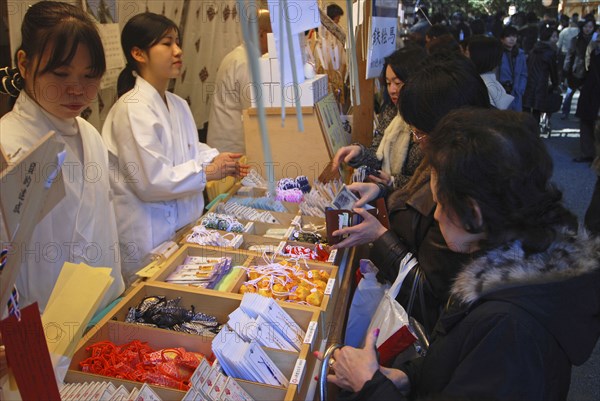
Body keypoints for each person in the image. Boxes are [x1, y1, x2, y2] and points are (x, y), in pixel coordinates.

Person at [323, 108, 600, 401]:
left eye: (440, 203)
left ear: (474, 213)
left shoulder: (512, 330)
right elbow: (458, 366)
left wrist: (371, 386)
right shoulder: (518, 263)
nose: (437, 215)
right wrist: (407, 378)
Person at [332, 53, 490, 335]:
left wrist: (380, 238)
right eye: (389, 82)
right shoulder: (449, 159)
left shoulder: (462, 187)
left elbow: (432, 297)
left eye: (419, 133)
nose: (393, 89)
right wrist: (383, 188)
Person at [102, 13, 247, 284]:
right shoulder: (132, 109)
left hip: (183, 232)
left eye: (178, 42)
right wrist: (207, 171)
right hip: (149, 240)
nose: (178, 51)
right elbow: (151, 181)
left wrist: (216, 157)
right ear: (138, 53)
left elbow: (188, 150)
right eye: (167, 43)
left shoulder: (177, 104)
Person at [0, 1, 124, 312]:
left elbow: (101, 228)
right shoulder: (7, 145)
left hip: (98, 312)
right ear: (25, 64)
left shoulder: (88, 133)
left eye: (89, 75)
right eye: (61, 73)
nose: (76, 90)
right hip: (40, 323)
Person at [331, 47, 427, 189]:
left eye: (398, 83)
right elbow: (378, 156)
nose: (392, 90)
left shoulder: (427, 119)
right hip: (386, 197)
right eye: (388, 83)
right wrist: (359, 153)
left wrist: (393, 182)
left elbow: (426, 182)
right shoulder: (391, 111)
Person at [206, 10, 272, 154]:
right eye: (273, 35)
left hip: (227, 145)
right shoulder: (247, 62)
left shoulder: (241, 55)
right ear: (261, 33)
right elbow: (253, 110)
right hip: (232, 150)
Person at [522, 24, 559, 125]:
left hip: (529, 83)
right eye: (553, 36)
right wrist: (556, 84)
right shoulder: (550, 52)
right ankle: (533, 134)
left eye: (556, 36)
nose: (555, 39)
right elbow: (553, 71)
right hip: (541, 85)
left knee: (526, 110)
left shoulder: (534, 49)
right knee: (536, 112)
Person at [467, 34, 515, 109]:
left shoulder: (481, 87)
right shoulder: (492, 83)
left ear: (478, 56)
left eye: (467, 52)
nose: (463, 55)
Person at [498, 25, 528, 111]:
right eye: (508, 36)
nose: (512, 39)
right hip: (501, 90)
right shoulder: (497, 53)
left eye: (514, 36)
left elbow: (523, 73)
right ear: (502, 39)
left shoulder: (520, 54)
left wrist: (520, 89)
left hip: (515, 91)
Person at [557, 14, 580, 88]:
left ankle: (562, 83)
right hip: (575, 55)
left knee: (563, 70)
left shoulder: (564, 31)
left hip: (564, 53)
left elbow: (559, 44)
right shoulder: (579, 31)